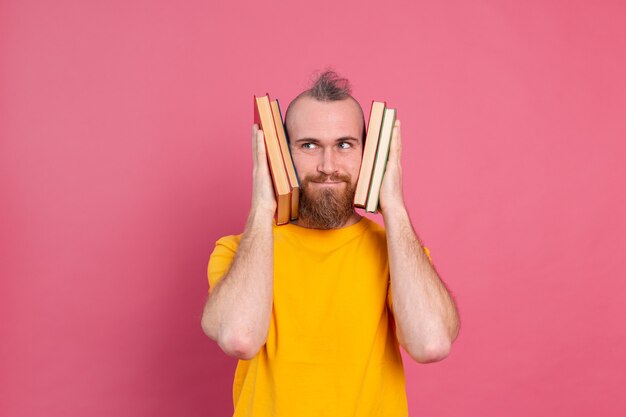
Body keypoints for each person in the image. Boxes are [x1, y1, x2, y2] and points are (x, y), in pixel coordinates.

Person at [201, 71, 460, 416]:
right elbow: (240, 338)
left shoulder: (398, 252)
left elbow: (431, 344)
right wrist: (263, 206)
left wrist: (395, 207)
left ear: (369, 156)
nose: (328, 166)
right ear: (280, 154)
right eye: (309, 145)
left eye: (344, 145)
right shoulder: (236, 251)